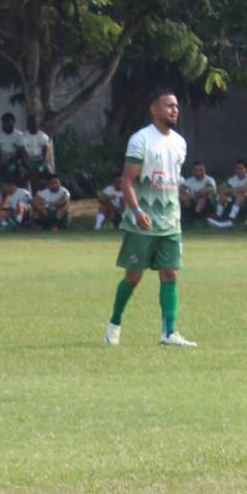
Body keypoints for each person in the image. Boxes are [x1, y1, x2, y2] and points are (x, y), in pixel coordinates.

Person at [104, 89, 195, 348]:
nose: (174, 110)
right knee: (133, 277)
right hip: (142, 221)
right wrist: (136, 211)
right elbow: (127, 181)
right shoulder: (140, 140)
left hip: (170, 221)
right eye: (168, 106)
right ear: (153, 109)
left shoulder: (179, 142)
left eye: (176, 106)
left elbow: (172, 180)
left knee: (170, 273)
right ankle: (115, 322)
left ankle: (169, 333)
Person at [179, 161, 218, 226]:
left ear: (204, 170)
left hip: (209, 204)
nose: (198, 172)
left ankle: (195, 218)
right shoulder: (189, 181)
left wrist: (192, 196)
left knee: (202, 198)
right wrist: (184, 196)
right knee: (185, 200)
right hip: (194, 202)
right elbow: (180, 189)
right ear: (193, 171)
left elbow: (208, 190)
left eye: (201, 170)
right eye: (196, 170)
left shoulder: (209, 180)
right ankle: (188, 220)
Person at [217, 159, 247, 225]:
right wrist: (225, 193)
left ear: (245, 169)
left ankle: (232, 218)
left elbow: (246, 188)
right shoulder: (232, 179)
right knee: (222, 196)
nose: (238, 170)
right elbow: (220, 188)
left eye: (241, 168)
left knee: (241, 194)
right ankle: (218, 215)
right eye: (237, 168)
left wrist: (230, 190)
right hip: (235, 201)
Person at [0, 112, 26, 182]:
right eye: (4, 122)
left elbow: (21, 152)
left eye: (8, 122)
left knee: (18, 170)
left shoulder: (19, 135)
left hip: (15, 160)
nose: (6, 124)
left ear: (13, 123)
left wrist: (13, 160)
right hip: (1, 160)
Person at [23, 115, 54, 181]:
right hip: (28, 162)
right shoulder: (23, 136)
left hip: (40, 162)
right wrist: (29, 167)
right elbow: (23, 154)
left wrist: (41, 168)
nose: (33, 124)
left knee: (50, 173)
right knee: (22, 174)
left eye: (35, 122)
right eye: (31, 122)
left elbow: (46, 154)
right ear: (28, 124)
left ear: (38, 124)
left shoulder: (44, 137)